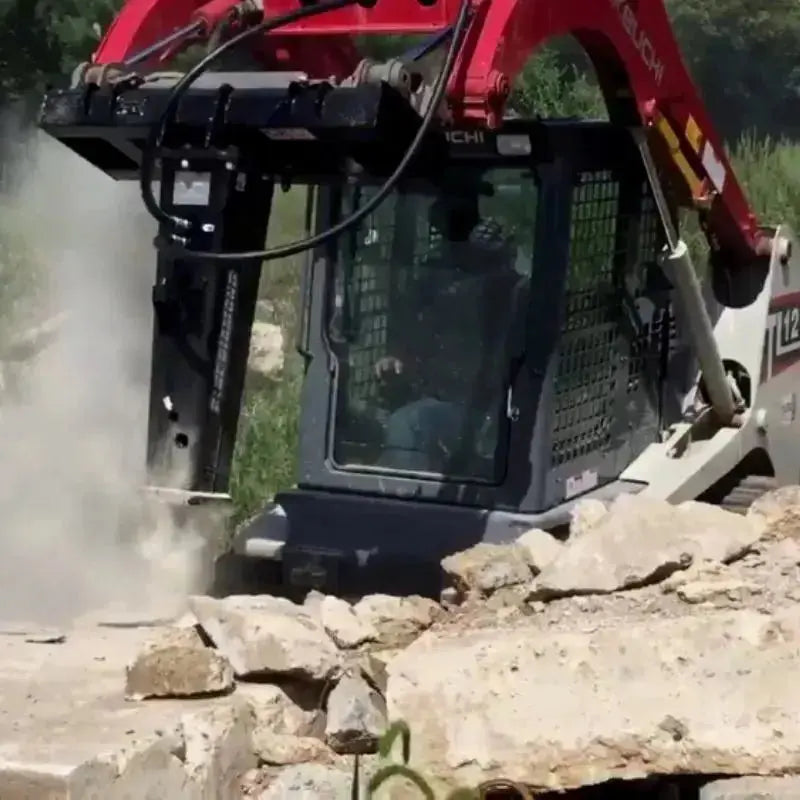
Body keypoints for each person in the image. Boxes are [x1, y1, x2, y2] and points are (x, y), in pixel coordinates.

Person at [374, 213, 528, 476]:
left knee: (406, 423)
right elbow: (431, 338)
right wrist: (400, 358)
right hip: (446, 398)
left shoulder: (513, 297)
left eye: (488, 263)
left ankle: (398, 496)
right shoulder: (457, 295)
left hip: (482, 412)